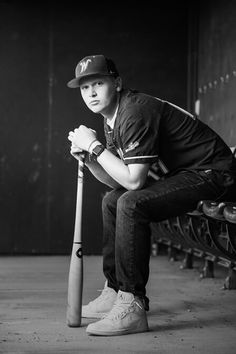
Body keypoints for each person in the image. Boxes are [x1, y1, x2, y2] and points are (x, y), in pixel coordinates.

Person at [67, 54, 236, 336]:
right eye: (85, 87)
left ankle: (132, 303)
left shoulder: (134, 111)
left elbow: (134, 182)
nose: (91, 92)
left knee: (132, 204)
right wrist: (92, 157)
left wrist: (96, 147)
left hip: (214, 173)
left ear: (117, 83)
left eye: (98, 83)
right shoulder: (114, 118)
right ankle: (115, 290)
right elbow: (116, 182)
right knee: (112, 200)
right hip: (186, 175)